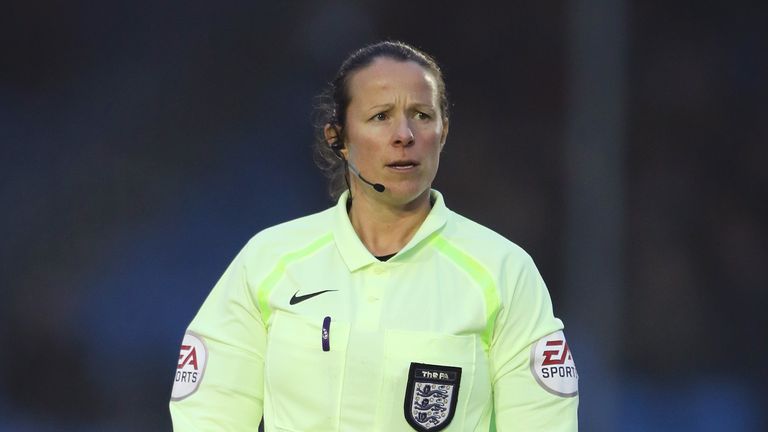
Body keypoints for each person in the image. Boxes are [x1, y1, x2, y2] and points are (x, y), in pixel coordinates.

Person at [169, 41, 579, 431]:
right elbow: (209, 412)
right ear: (339, 139)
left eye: (422, 115)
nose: (405, 134)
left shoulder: (505, 273)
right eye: (380, 116)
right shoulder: (269, 261)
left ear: (444, 131)